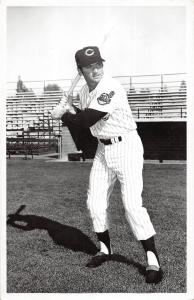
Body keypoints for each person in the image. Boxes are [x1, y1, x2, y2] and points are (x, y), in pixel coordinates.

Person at [51, 46, 163, 284]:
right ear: (80, 70)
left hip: (127, 147)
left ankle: (152, 260)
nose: (96, 70)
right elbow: (83, 118)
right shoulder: (82, 91)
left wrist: (63, 115)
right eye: (90, 67)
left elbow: (87, 120)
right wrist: (70, 109)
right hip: (103, 150)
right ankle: (104, 249)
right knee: (94, 202)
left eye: (98, 64)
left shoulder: (111, 86)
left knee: (132, 205)